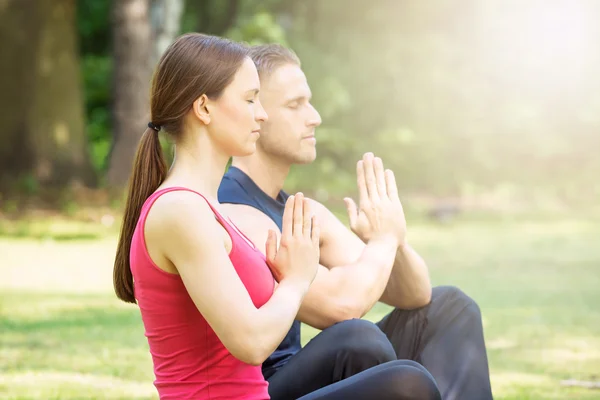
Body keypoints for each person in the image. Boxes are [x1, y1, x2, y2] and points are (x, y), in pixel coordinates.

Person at [112, 33, 441, 400]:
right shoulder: (179, 211)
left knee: (403, 374)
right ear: (204, 109)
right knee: (408, 386)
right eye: (250, 99)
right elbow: (251, 342)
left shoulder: (206, 209)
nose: (262, 113)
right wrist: (296, 280)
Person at [218, 43, 494, 400]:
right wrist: (381, 243)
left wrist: (395, 238)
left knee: (448, 308)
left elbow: (414, 293)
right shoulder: (234, 211)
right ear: (256, 114)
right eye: (295, 105)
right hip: (260, 389)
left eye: (309, 101)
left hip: (302, 376)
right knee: (359, 340)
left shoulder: (301, 211)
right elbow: (341, 306)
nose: (314, 116)